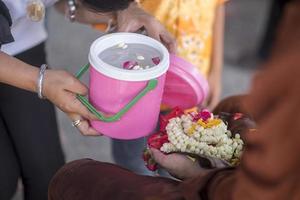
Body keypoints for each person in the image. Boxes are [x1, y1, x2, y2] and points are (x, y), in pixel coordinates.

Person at [48, 0, 300, 199]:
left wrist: (214, 73)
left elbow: (217, 11)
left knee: (184, 155)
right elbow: (96, 13)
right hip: (133, 96)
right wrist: (124, 10)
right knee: (136, 160)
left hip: (188, 89)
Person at [0, 0, 175, 199]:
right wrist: (40, 81)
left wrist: (126, 10)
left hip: (23, 39)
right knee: (4, 180)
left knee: (46, 173)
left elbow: (63, 4)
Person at [112, 0, 227, 176]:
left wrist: (216, 71)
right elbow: (109, 10)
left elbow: (218, 6)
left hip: (188, 90)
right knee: (133, 164)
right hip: (136, 89)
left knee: (177, 167)